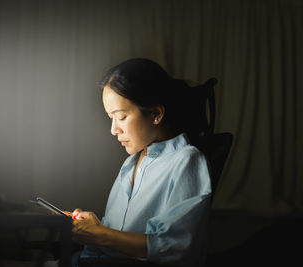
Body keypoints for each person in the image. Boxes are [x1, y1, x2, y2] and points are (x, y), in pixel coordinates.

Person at [68, 58, 212, 266]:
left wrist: (100, 234)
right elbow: (114, 238)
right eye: (111, 118)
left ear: (156, 113)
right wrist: (93, 227)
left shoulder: (186, 160)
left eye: (121, 117)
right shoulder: (130, 164)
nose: (113, 129)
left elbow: (175, 247)